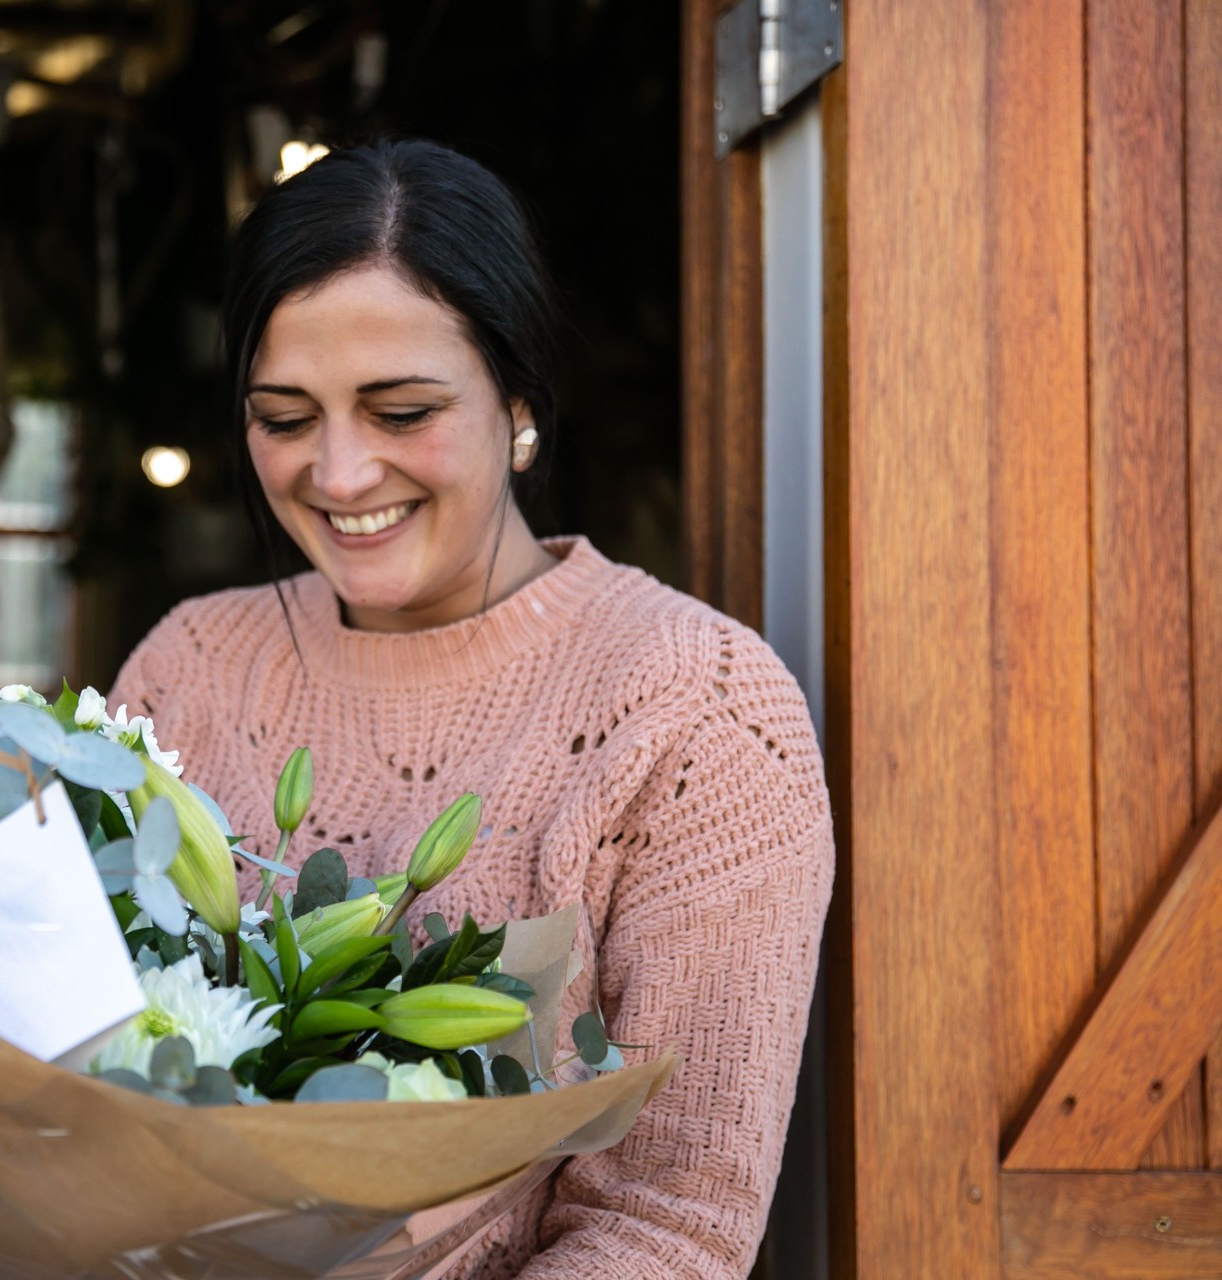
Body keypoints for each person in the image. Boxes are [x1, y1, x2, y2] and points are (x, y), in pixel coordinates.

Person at [107, 138, 833, 1279]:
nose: (340, 474)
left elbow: (667, 1222)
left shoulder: (696, 712)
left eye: (400, 411)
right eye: (286, 417)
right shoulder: (190, 667)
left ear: (521, 404)